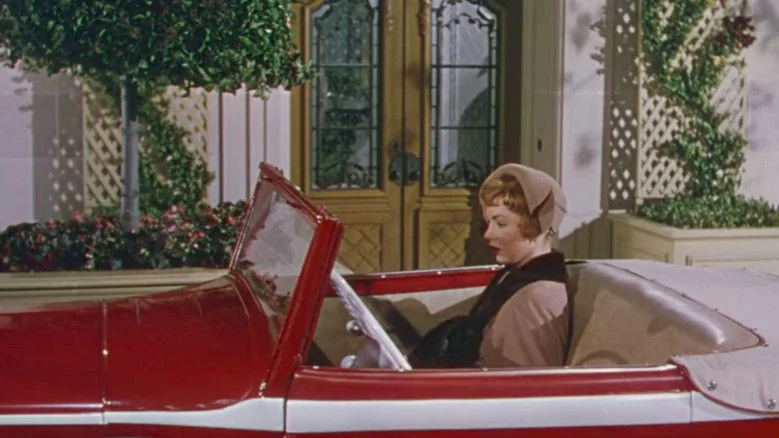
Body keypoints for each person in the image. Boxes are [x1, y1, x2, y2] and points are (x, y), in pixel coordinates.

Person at [409, 163, 570, 368]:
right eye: (488, 222)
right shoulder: (513, 275)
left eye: (501, 224)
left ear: (538, 224)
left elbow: (524, 381)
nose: (488, 234)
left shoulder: (536, 298)